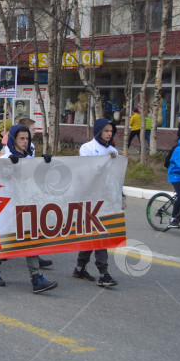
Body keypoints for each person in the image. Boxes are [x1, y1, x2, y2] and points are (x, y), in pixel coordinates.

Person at [0, 125, 59, 293]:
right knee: (2, 240)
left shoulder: (30, 157)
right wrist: (10, 167)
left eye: (27, 139)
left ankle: (36, 278)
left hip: (26, 204)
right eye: (21, 138)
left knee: (30, 238)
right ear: (14, 139)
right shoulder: (4, 157)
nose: (25, 142)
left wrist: (44, 163)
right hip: (7, 205)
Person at [72, 118, 118, 287]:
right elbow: (87, 171)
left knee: (94, 234)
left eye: (111, 131)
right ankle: (103, 273)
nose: (109, 134)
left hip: (105, 197)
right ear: (99, 131)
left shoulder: (113, 150)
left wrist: (120, 194)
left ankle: (79, 267)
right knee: (99, 234)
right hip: (89, 197)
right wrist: (105, 161)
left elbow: (114, 176)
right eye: (106, 131)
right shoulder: (87, 148)